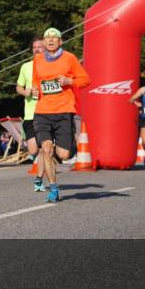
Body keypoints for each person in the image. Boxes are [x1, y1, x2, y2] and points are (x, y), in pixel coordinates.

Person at [32, 27, 90, 203]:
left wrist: (69, 81)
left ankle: (63, 150)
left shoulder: (69, 58)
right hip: (42, 111)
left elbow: (86, 80)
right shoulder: (38, 59)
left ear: (60, 41)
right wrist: (35, 90)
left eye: (54, 37)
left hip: (64, 110)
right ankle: (53, 188)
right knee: (46, 149)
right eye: (47, 37)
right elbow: (36, 81)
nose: (50, 40)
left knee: (64, 155)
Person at [16, 37, 46, 190]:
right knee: (33, 150)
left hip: (47, 112)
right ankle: (45, 166)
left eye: (40, 46)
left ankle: (40, 179)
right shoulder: (25, 67)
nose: (37, 49)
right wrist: (26, 91)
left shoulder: (52, 66)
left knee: (43, 149)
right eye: (34, 47)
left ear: (46, 48)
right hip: (29, 114)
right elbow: (18, 87)